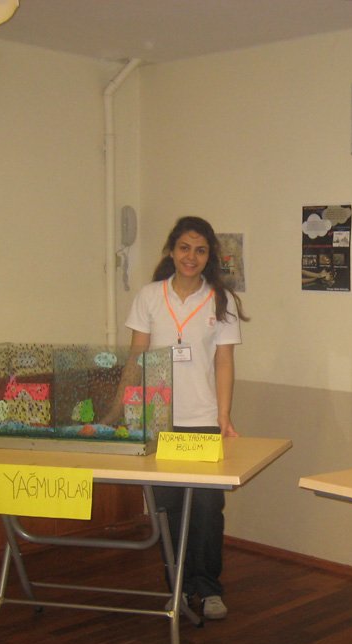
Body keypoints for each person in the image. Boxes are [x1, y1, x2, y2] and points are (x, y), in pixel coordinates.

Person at [123, 216, 248, 620]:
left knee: (208, 509)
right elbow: (136, 356)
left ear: (209, 256)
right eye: (184, 248)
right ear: (171, 251)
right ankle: (177, 587)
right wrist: (125, 408)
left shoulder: (220, 300)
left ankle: (208, 588)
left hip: (202, 420)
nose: (191, 256)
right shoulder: (149, 296)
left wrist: (224, 416)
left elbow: (224, 362)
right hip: (157, 420)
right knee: (168, 510)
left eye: (200, 250)